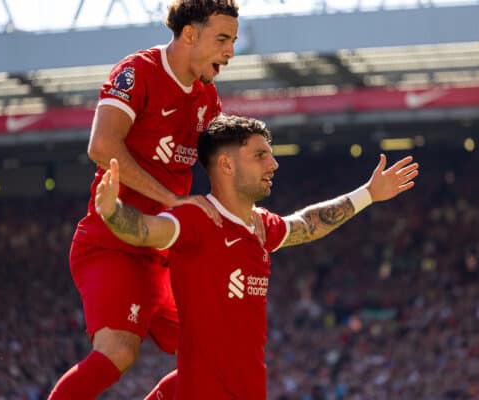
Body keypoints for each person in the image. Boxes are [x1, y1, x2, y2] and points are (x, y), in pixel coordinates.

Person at [95, 114, 419, 399]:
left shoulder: (261, 226)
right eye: (260, 155)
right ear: (226, 165)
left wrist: (369, 194)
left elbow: (308, 224)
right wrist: (112, 211)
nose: (273, 164)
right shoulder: (198, 219)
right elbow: (146, 230)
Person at [48, 1, 243, 398]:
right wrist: (173, 200)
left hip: (163, 252)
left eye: (233, 41)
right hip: (113, 244)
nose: (230, 52)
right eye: (222, 39)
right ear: (190, 34)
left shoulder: (208, 98)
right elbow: (102, 146)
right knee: (118, 351)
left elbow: (222, 169)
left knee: (227, 356)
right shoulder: (137, 72)